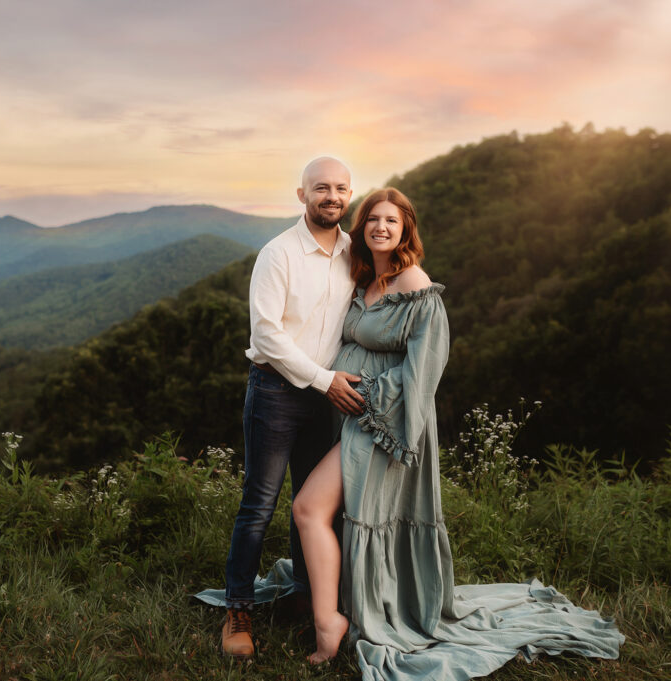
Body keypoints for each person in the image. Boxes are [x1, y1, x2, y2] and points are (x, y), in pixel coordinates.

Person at [292, 187, 624, 678]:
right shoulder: (365, 280)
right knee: (333, 512)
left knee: (308, 507)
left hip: (388, 423)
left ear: (406, 229)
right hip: (357, 419)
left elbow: (426, 369)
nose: (381, 227)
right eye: (373, 220)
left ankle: (330, 626)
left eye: (392, 221)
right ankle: (350, 608)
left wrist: (373, 404)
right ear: (361, 229)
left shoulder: (414, 282)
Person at [218, 156, 365, 659]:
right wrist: (325, 381)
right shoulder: (277, 254)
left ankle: (308, 597)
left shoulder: (354, 252)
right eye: (321, 188)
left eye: (341, 188)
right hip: (277, 392)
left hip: (325, 399)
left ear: (350, 196)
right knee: (259, 505)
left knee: (312, 506)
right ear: (301, 195)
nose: (332, 196)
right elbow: (266, 334)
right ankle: (238, 607)